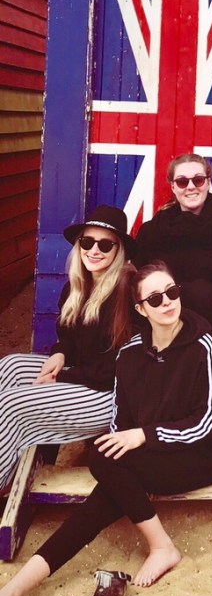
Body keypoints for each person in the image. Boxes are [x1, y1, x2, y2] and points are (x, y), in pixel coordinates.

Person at [0, 261, 212, 596]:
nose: (167, 302)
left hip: (197, 454)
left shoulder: (203, 343)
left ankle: (161, 546)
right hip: (149, 457)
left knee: (105, 463)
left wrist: (144, 435)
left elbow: (207, 421)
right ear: (141, 309)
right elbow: (121, 422)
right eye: (155, 298)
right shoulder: (130, 353)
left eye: (172, 292)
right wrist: (133, 439)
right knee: (104, 475)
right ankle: (13, 591)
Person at [0, 204, 135, 494]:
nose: (94, 250)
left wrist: (59, 378)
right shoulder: (76, 288)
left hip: (108, 396)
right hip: (83, 376)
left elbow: (110, 371)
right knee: (10, 366)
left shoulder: (124, 293)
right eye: (87, 242)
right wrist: (60, 353)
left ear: (118, 250)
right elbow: (71, 341)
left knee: (11, 406)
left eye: (105, 245)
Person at [134, 153, 212, 332]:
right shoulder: (152, 232)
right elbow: (138, 283)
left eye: (198, 180)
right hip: (160, 329)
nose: (191, 187)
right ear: (173, 186)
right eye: (182, 182)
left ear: (208, 182)